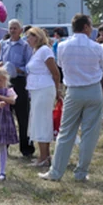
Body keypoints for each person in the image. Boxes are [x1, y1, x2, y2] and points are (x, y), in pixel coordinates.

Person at [40, 14, 103, 183]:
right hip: (93, 90)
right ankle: (81, 172)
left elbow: (61, 65)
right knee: (90, 134)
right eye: (90, 26)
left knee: (66, 132)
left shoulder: (62, 46)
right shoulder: (96, 47)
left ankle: (56, 172)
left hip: (74, 91)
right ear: (85, 27)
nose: (92, 30)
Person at [24, 26, 62, 168]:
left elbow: (55, 72)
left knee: (42, 121)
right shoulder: (36, 52)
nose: (28, 39)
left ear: (38, 37)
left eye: (30, 36)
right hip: (36, 89)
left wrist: (57, 90)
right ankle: (43, 155)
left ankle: (44, 157)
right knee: (38, 121)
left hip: (44, 89)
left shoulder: (45, 51)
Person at [0, 19, 34, 158]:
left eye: (15, 28)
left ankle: (25, 147)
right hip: (6, 83)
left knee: (22, 116)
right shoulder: (4, 44)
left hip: (20, 82)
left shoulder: (25, 46)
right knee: (5, 116)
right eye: (10, 28)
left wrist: (19, 69)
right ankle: (3, 146)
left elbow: (29, 66)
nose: (12, 30)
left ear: (20, 30)